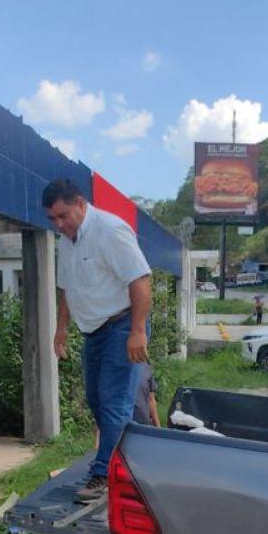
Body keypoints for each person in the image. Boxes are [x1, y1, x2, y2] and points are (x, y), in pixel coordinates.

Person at [43, 178, 152, 502]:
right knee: (97, 401)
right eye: (52, 219)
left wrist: (137, 330)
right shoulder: (66, 240)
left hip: (121, 327)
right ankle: (132, 460)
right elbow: (67, 288)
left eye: (63, 216)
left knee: (114, 403)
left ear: (79, 203)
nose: (58, 224)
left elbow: (141, 280)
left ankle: (102, 475)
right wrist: (61, 328)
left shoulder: (111, 230)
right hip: (92, 334)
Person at [133, 361, 161, 427]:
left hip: (143, 421)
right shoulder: (113, 365)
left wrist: (158, 426)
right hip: (121, 422)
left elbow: (151, 400)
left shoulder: (145, 366)